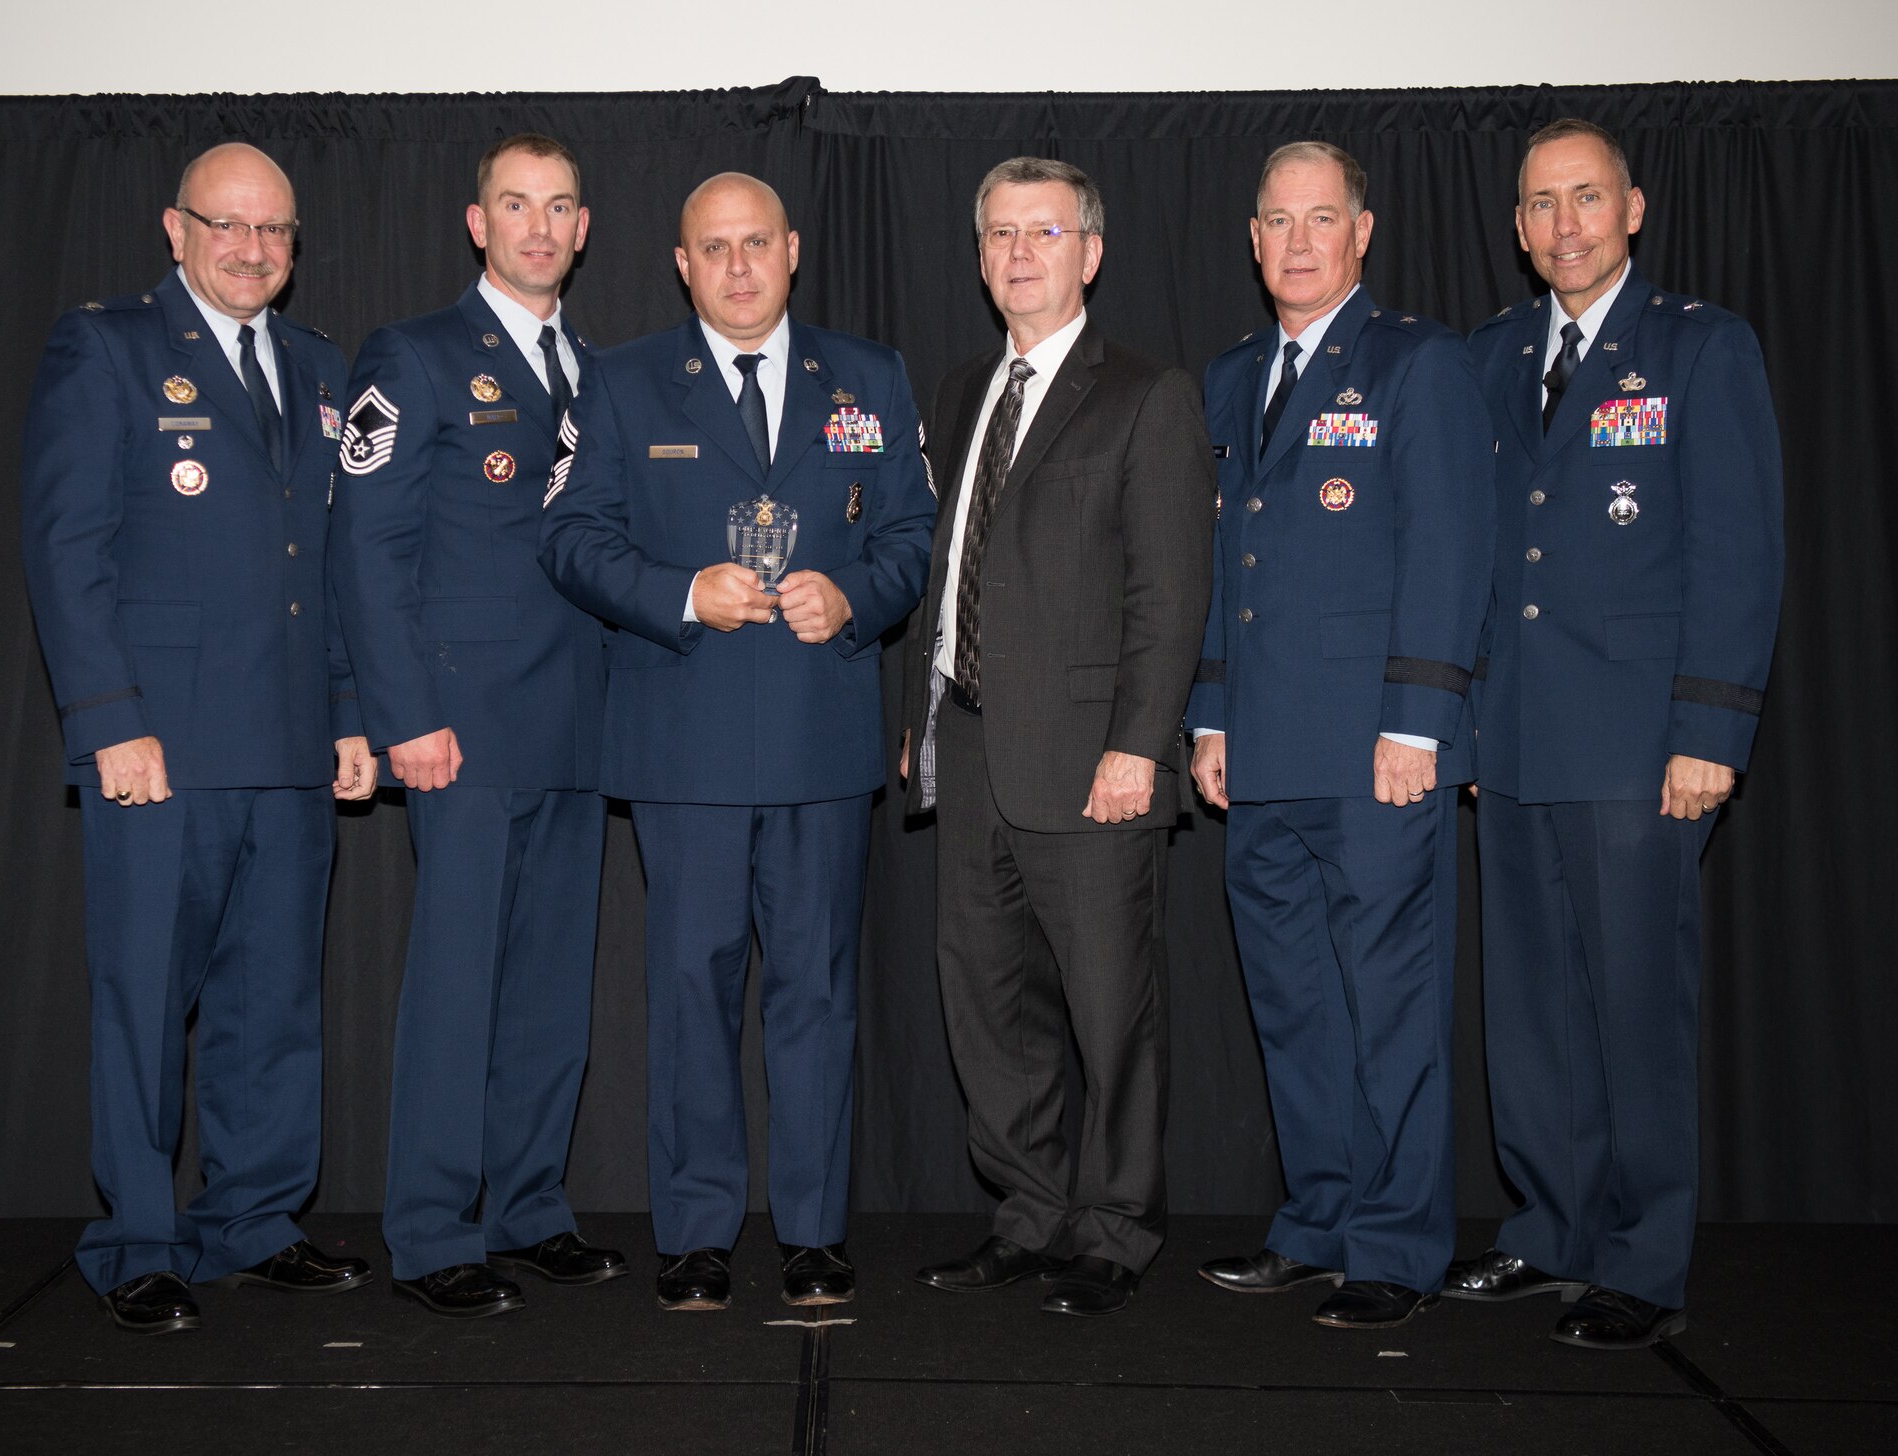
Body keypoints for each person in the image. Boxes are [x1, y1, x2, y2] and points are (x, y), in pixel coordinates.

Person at [538, 172, 934, 1311]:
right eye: (713, 248)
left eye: (755, 242)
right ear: (680, 261)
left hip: (819, 737)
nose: (739, 266)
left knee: (815, 990)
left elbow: (913, 533)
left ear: (792, 248)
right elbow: (567, 537)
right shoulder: (617, 384)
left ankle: (811, 1231)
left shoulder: (866, 376)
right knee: (689, 988)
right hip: (684, 742)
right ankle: (698, 1231)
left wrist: (853, 594)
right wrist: (676, 591)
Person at [21, 142, 377, 1335]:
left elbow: (322, 569)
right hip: (159, 749)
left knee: (271, 1003)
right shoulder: (109, 349)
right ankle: (134, 1236)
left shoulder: (319, 368)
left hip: (284, 743)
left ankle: (255, 1220)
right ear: (175, 231)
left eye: (274, 229)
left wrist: (343, 712)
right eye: (227, 225)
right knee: (142, 1002)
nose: (252, 248)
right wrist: (109, 722)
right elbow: (67, 551)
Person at [1448, 119, 1783, 1350]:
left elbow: (1737, 555)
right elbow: (1474, 553)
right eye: (1540, 204)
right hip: (1517, 734)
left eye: (1585, 198)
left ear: (1630, 209)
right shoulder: (1487, 357)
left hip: (1643, 743)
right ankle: (1548, 1225)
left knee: (1636, 1004)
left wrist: (1709, 727)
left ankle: (1642, 1256)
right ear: (1520, 226)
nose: (1564, 224)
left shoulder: (1698, 347)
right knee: (1530, 1004)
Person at [900, 156, 1215, 1318]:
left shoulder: (1145, 393)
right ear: (979, 254)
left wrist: (1140, 743)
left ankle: (1115, 1228)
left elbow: (1169, 590)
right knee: (988, 1006)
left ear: (1089, 251)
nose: (1017, 252)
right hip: (970, 746)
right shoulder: (957, 390)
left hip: (1093, 760)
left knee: (1106, 1010)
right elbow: (945, 573)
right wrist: (916, 716)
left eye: (1042, 231)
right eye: (997, 233)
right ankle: (1027, 1213)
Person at [1187, 141, 1494, 1330]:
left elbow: (1448, 547)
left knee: (1388, 1005)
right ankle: (1315, 1219)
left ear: (1360, 232)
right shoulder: (1226, 378)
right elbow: (1219, 563)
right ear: (1252, 239)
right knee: (1293, 1002)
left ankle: (1396, 1242)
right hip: (1257, 750)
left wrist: (1418, 721)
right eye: (1277, 220)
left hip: (1377, 750)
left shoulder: (1419, 364)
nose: (1299, 241)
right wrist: (1206, 714)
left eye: (1322, 218)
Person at [330, 134, 623, 1319]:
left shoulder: (599, 370)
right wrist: (403, 716)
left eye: (559, 206)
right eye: (516, 205)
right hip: (461, 725)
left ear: (584, 226)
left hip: (577, 721)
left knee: (551, 983)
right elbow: (367, 546)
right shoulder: (414, 354)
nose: (539, 227)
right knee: (456, 984)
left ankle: (529, 1206)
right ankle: (433, 1227)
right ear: (476, 222)